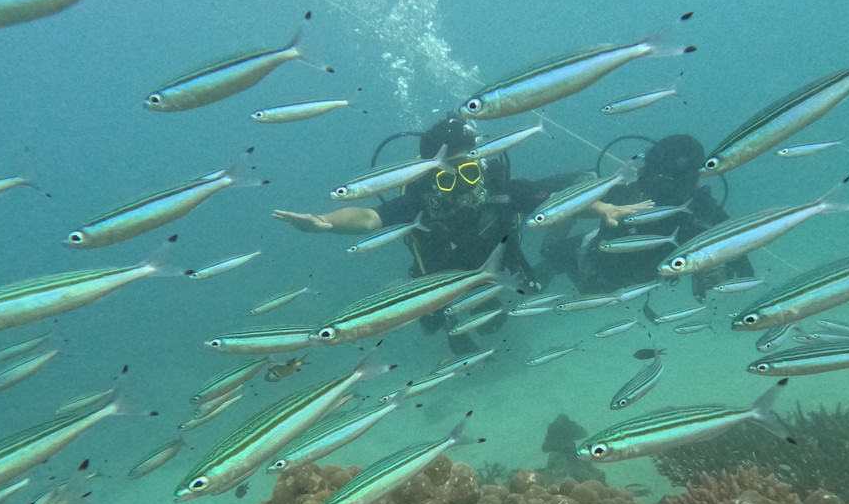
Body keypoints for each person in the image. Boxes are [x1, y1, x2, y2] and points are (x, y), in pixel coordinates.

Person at [273, 115, 645, 348]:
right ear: (429, 175)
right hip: (440, 280)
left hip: (492, 270)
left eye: (470, 172)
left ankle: (483, 312)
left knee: (496, 318)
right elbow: (371, 218)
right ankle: (455, 323)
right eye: (447, 178)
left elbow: (550, 201)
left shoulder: (501, 185)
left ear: (482, 165)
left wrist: (601, 207)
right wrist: (324, 223)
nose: (464, 188)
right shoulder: (419, 200)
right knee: (444, 328)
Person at [538, 133, 753, 302]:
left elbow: (744, 269)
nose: (660, 186)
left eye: (671, 179)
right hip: (590, 260)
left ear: (693, 179)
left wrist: (724, 273)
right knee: (548, 258)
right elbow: (544, 197)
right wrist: (585, 197)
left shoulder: (704, 211)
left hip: (625, 284)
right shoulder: (628, 191)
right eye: (655, 174)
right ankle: (581, 185)